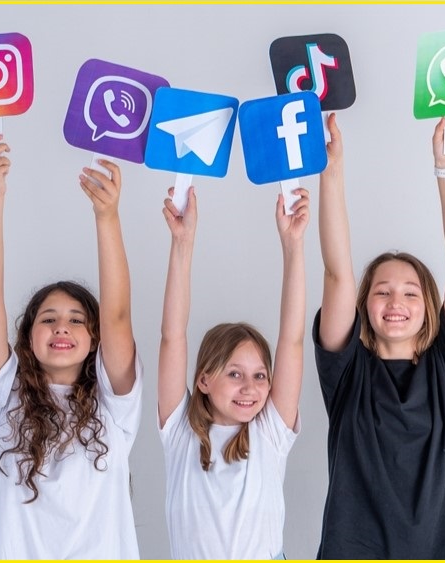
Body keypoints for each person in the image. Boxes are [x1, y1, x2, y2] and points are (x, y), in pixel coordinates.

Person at [313, 114, 445, 559]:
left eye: (410, 292)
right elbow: (337, 273)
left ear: (429, 305)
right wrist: (330, 171)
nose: (396, 302)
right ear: (364, 305)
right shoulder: (346, 370)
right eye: (382, 291)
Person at [0, 135, 142, 558]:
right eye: (48, 319)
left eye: (76, 320)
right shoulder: (0, 400)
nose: (61, 327)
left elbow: (117, 313)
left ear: (94, 340)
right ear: (28, 338)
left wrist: (107, 216)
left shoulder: (114, 408)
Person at [157, 185, 309, 559]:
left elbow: (291, 339)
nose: (250, 387)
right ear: (204, 380)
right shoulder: (180, 433)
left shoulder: (270, 432)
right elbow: (172, 336)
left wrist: (293, 248)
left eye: (260, 376)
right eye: (235, 374)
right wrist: (182, 243)